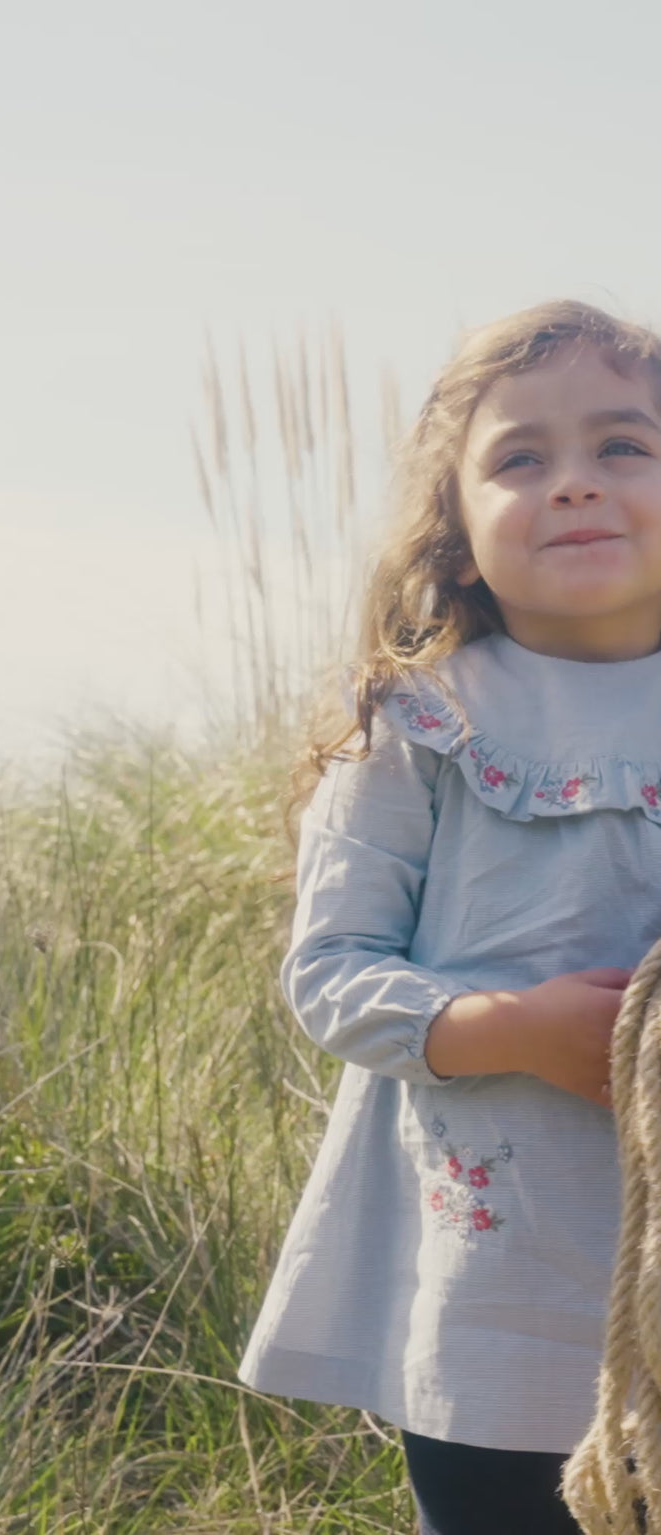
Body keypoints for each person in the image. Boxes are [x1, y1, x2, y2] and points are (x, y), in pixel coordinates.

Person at [237, 300, 661, 1535]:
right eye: (521, 458)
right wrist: (516, 1027)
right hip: (495, 1289)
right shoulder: (421, 725)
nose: (573, 483)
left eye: (622, 446)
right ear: (460, 535)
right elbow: (332, 973)